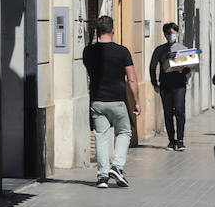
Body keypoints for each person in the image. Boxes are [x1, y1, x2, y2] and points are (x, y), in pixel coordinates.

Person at [81, 16, 141, 188]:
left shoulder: (88, 51)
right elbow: (131, 79)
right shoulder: (122, 51)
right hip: (118, 100)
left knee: (101, 137)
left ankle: (102, 177)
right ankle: (117, 166)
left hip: (97, 101)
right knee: (124, 132)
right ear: (113, 30)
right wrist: (136, 101)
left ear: (96, 32)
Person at [149, 22, 189, 151]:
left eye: (172, 33)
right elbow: (152, 66)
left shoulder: (183, 49)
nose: (170, 36)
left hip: (179, 85)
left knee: (179, 111)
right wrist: (154, 83)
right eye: (167, 33)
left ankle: (180, 140)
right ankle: (171, 141)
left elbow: (189, 67)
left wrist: (182, 69)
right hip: (165, 85)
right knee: (168, 113)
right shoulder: (160, 50)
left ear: (177, 33)